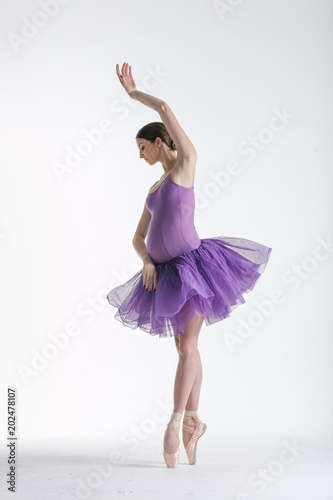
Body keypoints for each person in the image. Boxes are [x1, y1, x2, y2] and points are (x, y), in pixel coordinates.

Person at [106, 62, 273, 468]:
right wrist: (146, 261)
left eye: (142, 147)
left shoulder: (185, 165)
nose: (139, 154)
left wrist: (134, 95)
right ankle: (194, 422)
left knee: (187, 347)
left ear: (160, 141)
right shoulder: (154, 187)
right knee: (185, 347)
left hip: (195, 268)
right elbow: (137, 237)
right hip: (164, 275)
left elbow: (163, 105)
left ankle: (176, 420)